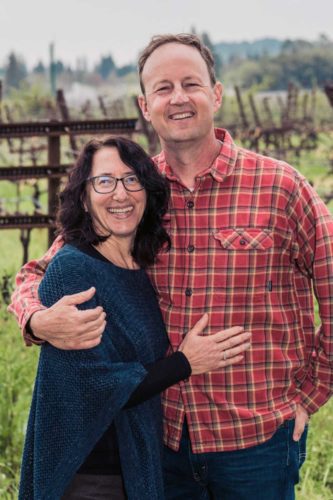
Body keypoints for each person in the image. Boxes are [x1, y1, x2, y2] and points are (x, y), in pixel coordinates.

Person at [9, 34, 333, 499]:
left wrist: (311, 395)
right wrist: (38, 320)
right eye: (163, 88)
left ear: (215, 94)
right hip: (160, 443)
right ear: (145, 105)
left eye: (191, 84)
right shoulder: (134, 193)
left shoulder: (280, 187)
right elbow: (37, 272)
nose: (178, 98)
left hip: (256, 441)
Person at [17, 136, 250, 500]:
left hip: (134, 463)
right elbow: (98, 383)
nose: (120, 194)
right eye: (104, 181)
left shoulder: (140, 267)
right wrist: (186, 363)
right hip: (89, 473)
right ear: (84, 195)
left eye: (131, 180)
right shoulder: (73, 269)